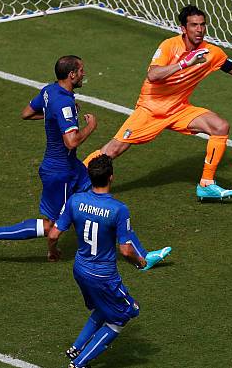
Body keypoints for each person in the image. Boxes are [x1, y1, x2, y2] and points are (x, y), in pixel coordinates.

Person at [83, 5, 232, 201]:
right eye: (194, 25)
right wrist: (183, 64)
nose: (199, 29)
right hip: (151, 109)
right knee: (113, 151)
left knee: (220, 126)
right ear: (183, 28)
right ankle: (75, 178)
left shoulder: (211, 53)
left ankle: (206, 184)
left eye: (202, 25)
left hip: (178, 109)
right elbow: (153, 75)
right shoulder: (169, 46)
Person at [48, 155, 171, 368]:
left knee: (103, 308)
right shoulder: (118, 209)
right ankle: (79, 363)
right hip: (103, 275)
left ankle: (76, 347)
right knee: (125, 313)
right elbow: (125, 249)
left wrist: (53, 251)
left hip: (80, 269)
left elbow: (53, 234)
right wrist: (140, 262)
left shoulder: (76, 200)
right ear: (111, 177)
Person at [0, 55, 97, 261]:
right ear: (71, 75)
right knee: (50, 225)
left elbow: (26, 113)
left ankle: (96, 241)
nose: (83, 74)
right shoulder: (63, 103)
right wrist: (91, 127)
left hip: (70, 166)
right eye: (81, 71)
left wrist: (53, 115)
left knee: (95, 192)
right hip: (60, 173)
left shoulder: (49, 91)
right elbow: (72, 142)